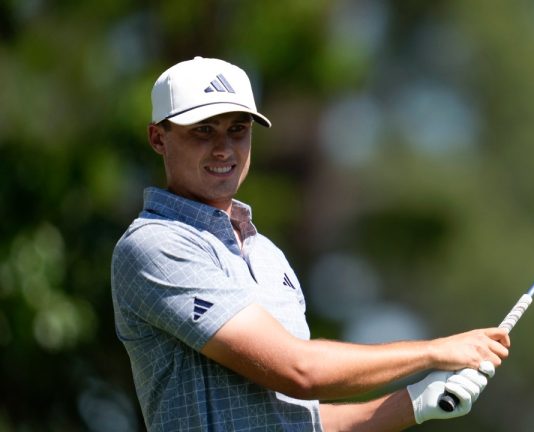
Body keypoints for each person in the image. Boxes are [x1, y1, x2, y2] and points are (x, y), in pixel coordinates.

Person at [111, 56, 510, 431]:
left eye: (238, 129)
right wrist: (433, 352)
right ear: (158, 138)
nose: (224, 148)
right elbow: (301, 371)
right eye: (203, 130)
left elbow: (302, 421)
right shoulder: (154, 245)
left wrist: (418, 402)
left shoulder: (268, 256)